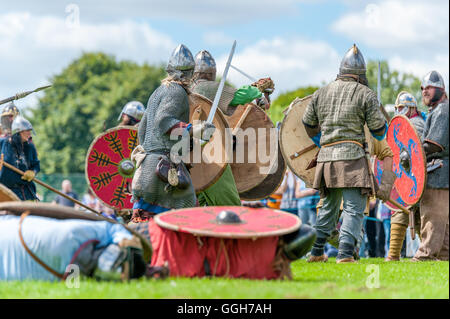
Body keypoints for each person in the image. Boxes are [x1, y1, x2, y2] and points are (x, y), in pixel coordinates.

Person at [302, 44, 390, 263]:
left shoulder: (321, 92)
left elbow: (307, 122)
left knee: (329, 207)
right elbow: (379, 130)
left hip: (326, 159)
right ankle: (344, 254)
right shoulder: (365, 93)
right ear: (360, 74)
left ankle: (316, 252)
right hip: (352, 158)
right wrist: (381, 132)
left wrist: (320, 140)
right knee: (353, 208)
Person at [130, 44, 209, 222]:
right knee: (188, 211)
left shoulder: (157, 92)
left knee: (144, 220)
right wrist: (193, 130)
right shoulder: (176, 91)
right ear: (190, 73)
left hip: (145, 170)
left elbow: (143, 130)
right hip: (163, 172)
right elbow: (163, 121)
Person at [412, 70, 449, 262]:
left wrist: (411, 152)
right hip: (442, 170)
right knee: (443, 219)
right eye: (422, 88)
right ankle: (444, 256)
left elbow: (434, 144)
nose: (424, 91)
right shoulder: (438, 109)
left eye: (429, 87)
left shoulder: (443, 109)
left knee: (433, 215)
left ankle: (425, 254)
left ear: (440, 89)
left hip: (439, 171)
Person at [386, 91, 425, 261]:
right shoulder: (406, 123)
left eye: (401, 108)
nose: (398, 111)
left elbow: (416, 152)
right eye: (397, 108)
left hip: (418, 178)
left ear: (411, 108)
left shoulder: (417, 124)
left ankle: (395, 255)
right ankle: (428, 252)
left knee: (408, 213)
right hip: (406, 176)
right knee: (412, 214)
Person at [0, 116, 40, 200]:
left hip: (24, 192)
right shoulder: (2, 143)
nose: (29, 133)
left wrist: (33, 172)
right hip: (4, 192)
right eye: (27, 130)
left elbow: (36, 165)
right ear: (18, 131)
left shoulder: (30, 147)